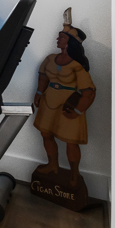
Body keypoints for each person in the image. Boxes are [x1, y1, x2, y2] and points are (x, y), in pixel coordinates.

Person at [32, 16, 94, 187]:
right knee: (46, 134)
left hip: (69, 105)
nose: (58, 39)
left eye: (62, 37)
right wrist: (38, 92)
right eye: (59, 36)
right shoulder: (50, 59)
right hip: (49, 100)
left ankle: (74, 174)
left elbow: (88, 92)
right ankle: (53, 166)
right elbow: (43, 76)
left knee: (71, 141)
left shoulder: (77, 66)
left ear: (71, 42)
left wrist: (78, 110)